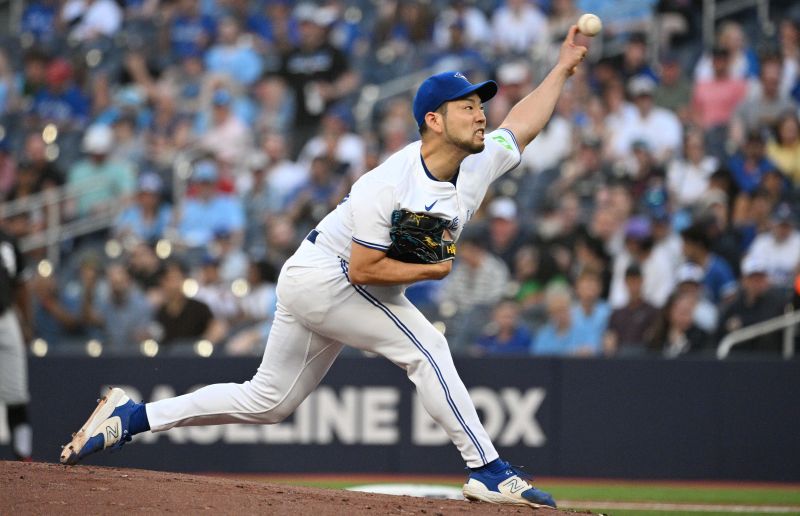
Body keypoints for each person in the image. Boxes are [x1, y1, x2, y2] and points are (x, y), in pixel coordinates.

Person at [60, 25, 589, 510]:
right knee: (427, 348)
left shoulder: (477, 161)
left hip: (325, 279)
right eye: (468, 106)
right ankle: (488, 469)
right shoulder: (386, 183)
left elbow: (522, 124)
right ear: (433, 119)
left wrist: (562, 68)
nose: (482, 114)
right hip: (330, 274)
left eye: (481, 105)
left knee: (268, 401)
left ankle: (131, 418)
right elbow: (364, 269)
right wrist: (428, 273)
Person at [0, 227, 34, 461]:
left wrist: (26, 323)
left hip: (6, 315)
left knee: (17, 394)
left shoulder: (8, 241)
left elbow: (21, 284)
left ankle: (24, 456)